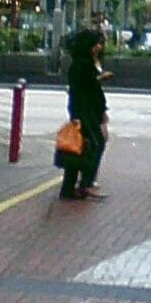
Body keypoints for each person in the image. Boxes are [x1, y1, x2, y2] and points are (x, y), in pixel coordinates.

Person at [59, 29, 109, 200]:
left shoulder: (83, 62)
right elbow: (87, 86)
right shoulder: (82, 64)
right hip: (84, 111)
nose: (99, 47)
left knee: (80, 146)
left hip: (85, 110)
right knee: (95, 144)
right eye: (96, 44)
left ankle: (70, 187)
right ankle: (85, 183)